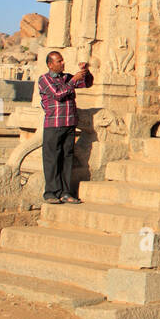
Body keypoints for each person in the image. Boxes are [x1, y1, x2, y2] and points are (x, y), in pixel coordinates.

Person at [37, 51, 93, 205]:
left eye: (62, 61)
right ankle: (51, 193)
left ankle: (66, 193)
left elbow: (87, 84)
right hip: (54, 124)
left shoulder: (67, 77)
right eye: (59, 61)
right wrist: (73, 80)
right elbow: (58, 94)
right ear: (50, 64)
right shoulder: (44, 79)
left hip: (69, 123)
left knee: (67, 159)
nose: (62, 63)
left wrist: (85, 71)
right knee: (52, 159)